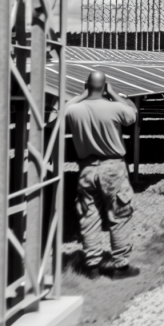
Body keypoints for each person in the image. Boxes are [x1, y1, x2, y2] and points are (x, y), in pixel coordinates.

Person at [65, 71, 140, 279]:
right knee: (120, 214)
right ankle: (121, 267)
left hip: (87, 169)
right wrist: (114, 93)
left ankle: (92, 267)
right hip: (113, 167)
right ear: (105, 86)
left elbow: (62, 110)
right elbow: (132, 114)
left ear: (86, 85)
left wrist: (83, 94)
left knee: (89, 217)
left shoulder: (74, 109)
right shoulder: (115, 107)